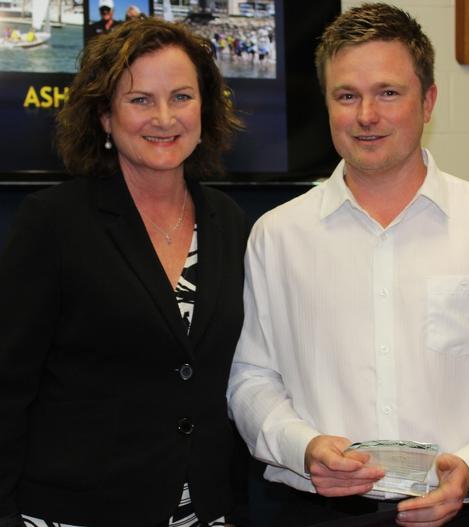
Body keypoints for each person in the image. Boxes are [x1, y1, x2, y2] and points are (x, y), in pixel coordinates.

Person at [227, 3, 469, 526]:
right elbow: (251, 377)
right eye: (347, 95)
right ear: (327, 104)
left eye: (389, 92)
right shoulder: (277, 236)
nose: (366, 115)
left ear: (428, 101)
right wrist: (303, 446)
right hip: (313, 511)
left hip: (456, 508)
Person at [0, 17, 247, 527]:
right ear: (105, 118)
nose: (164, 117)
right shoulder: (52, 222)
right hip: (76, 511)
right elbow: (7, 387)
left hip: (203, 511)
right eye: (139, 100)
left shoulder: (230, 222)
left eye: (181, 97)